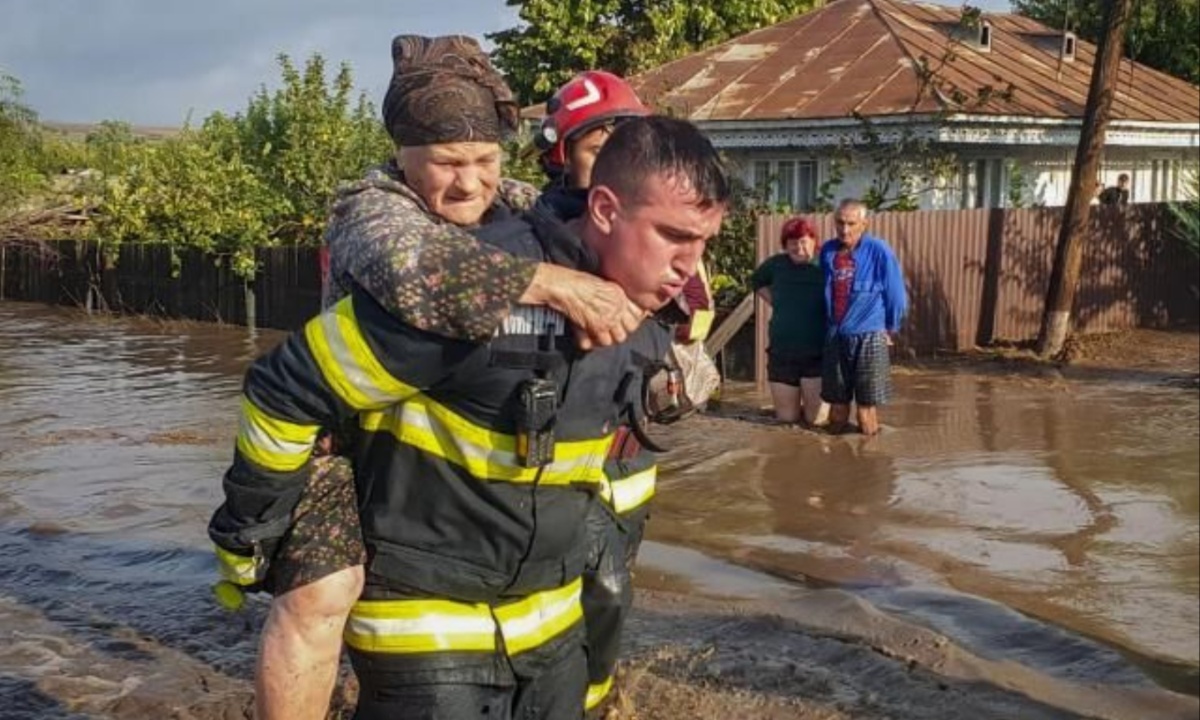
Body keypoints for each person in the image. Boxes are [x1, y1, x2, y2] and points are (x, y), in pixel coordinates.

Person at [209, 115, 730, 720]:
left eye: (704, 244)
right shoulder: (470, 286)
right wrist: (250, 531)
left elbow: (615, 485)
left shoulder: (649, 316)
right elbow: (287, 386)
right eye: (674, 237)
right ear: (607, 209)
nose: (690, 268)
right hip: (427, 631)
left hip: (552, 632)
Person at [533, 71, 718, 715]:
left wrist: (687, 363)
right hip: (560, 453)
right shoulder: (538, 240)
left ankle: (597, 693)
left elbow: (693, 316)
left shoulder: (669, 236)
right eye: (595, 143)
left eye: (624, 136)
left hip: (628, 452)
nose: (612, 150)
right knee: (573, 590)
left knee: (611, 588)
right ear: (564, 156)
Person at [819, 199, 907, 436]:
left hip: (869, 336)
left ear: (863, 224)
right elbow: (825, 293)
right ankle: (834, 460)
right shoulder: (827, 251)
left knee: (865, 410)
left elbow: (896, 295)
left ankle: (868, 464)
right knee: (836, 408)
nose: (844, 229)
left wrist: (891, 328)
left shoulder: (879, 250)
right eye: (840, 222)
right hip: (836, 337)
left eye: (851, 223)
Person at [751, 217, 828, 426]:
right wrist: (777, 302)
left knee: (817, 422)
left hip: (818, 353)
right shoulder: (776, 265)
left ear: (814, 241)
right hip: (782, 353)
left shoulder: (826, 264)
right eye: (792, 242)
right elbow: (756, 281)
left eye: (803, 241)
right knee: (787, 421)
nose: (798, 247)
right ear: (785, 244)